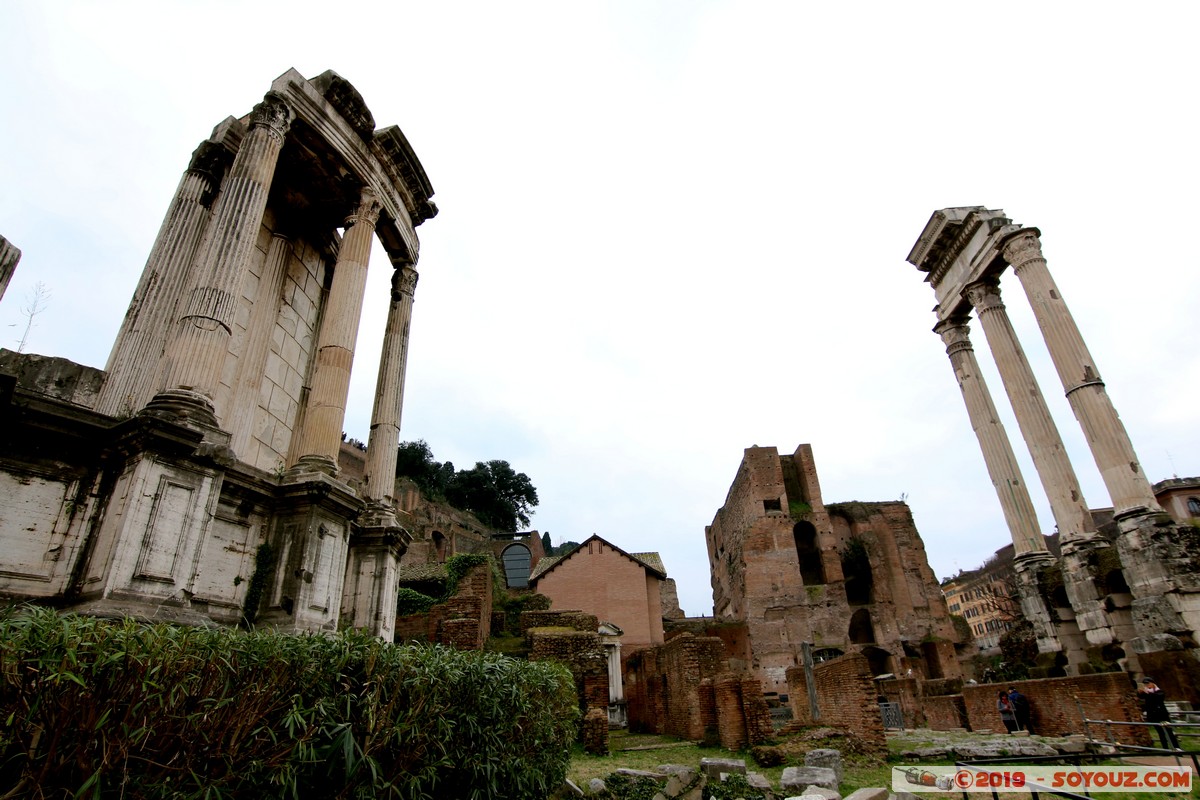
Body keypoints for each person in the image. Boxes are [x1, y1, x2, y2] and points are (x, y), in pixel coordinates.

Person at [1139, 678, 1177, 749]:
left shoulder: (1159, 691)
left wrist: (1147, 693)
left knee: (1169, 732)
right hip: (1153, 716)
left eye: (1148, 683)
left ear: (1153, 683)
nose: (1147, 685)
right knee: (1161, 733)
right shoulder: (1146, 693)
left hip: (1162, 715)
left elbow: (1157, 697)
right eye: (1145, 684)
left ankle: (1176, 748)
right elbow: (1140, 696)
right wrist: (1141, 692)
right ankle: (1165, 749)